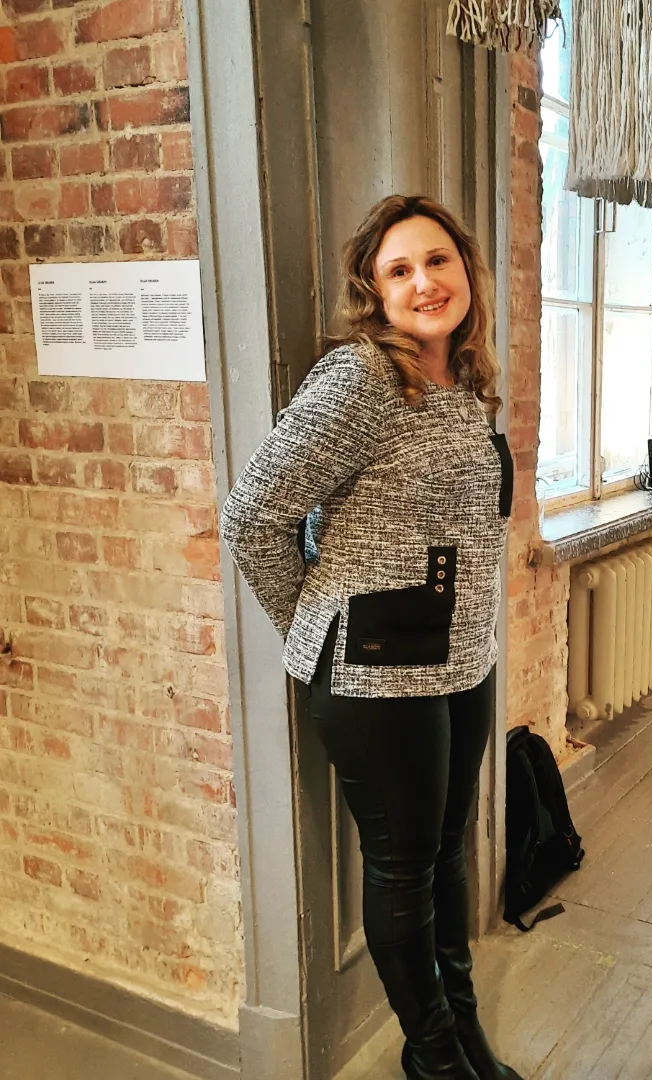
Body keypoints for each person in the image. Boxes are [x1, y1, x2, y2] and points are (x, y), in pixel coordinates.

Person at [220, 195, 519, 1080]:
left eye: (438, 261)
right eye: (400, 270)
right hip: (376, 675)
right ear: (375, 292)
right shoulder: (360, 380)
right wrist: (316, 627)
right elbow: (252, 517)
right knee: (404, 869)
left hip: (462, 659)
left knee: (447, 856)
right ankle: (434, 1058)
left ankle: (463, 1033)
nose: (425, 282)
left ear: (466, 271)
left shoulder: (464, 381)